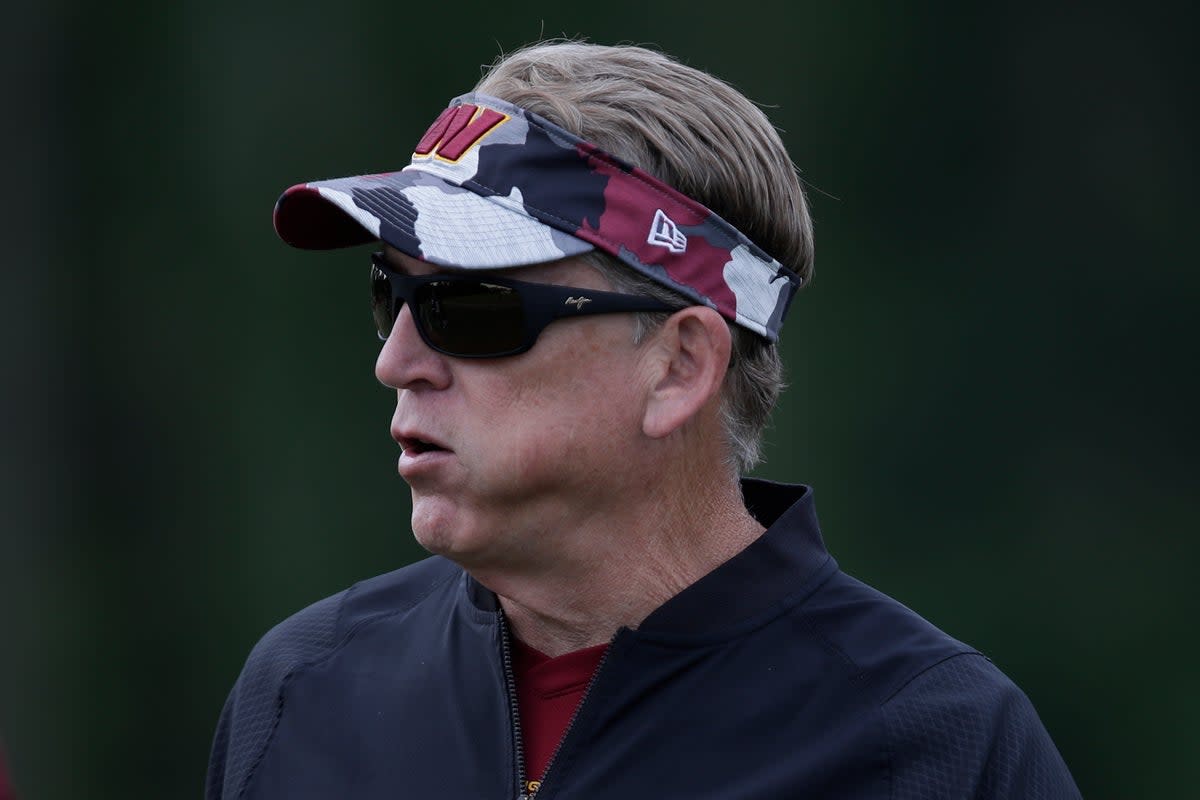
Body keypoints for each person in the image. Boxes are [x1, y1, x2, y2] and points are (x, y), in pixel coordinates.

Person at [207, 41, 1080, 799]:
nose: (396, 361)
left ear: (680, 367)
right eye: (389, 293)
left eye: (466, 310)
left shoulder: (935, 748)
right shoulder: (304, 692)